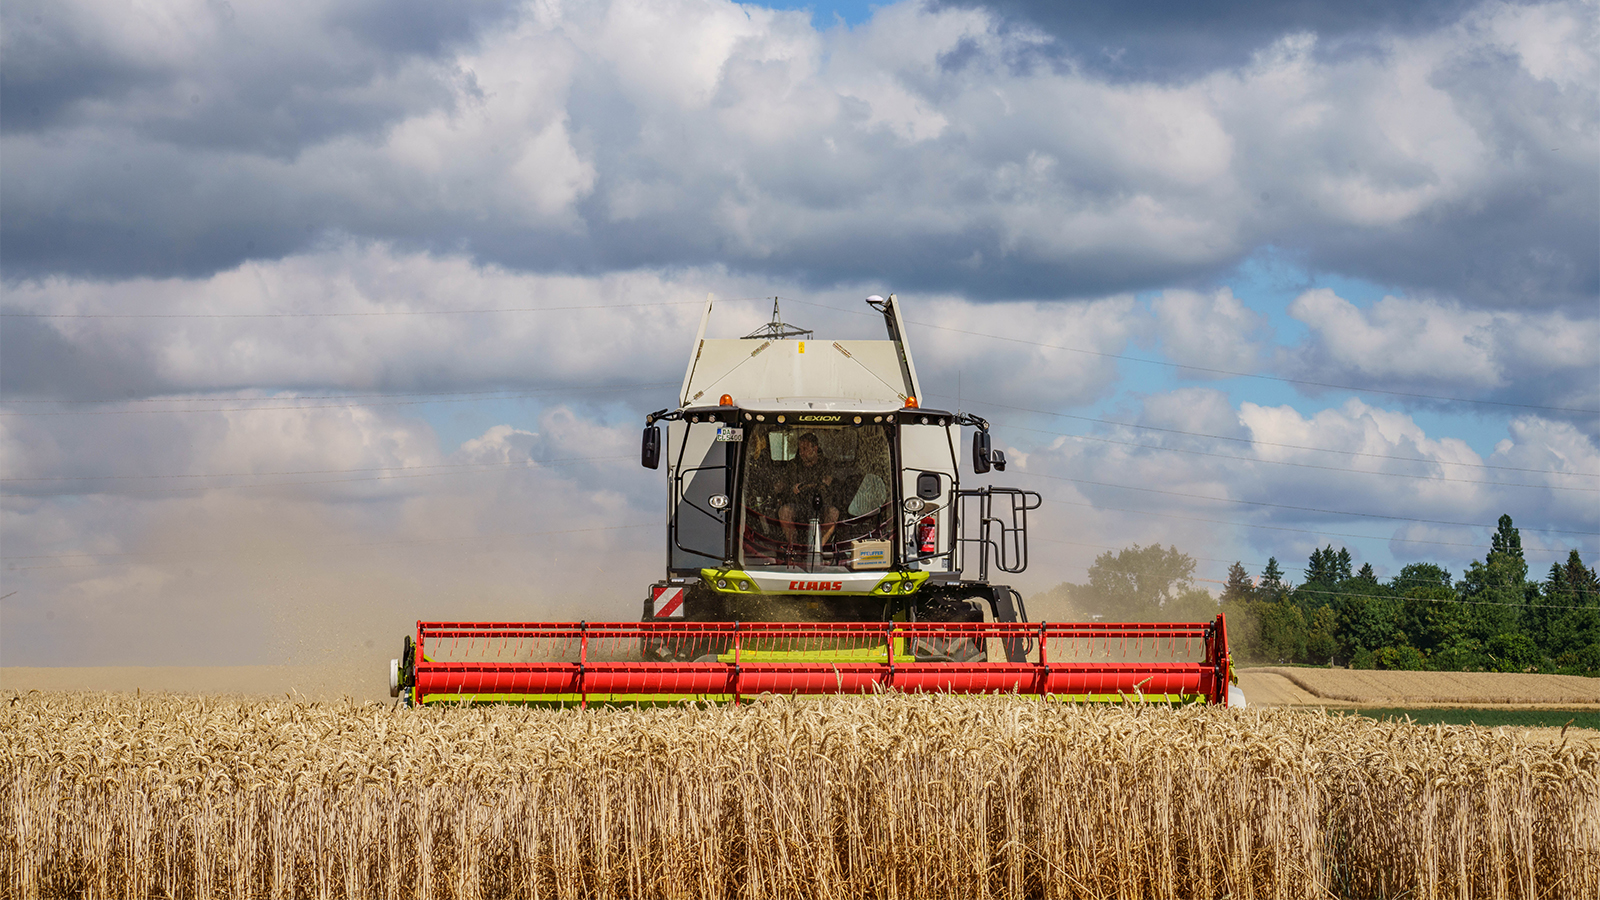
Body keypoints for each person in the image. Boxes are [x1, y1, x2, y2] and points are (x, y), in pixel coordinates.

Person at [776, 432, 840, 551]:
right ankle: (795, 549)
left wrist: (805, 485)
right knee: (784, 512)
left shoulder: (826, 464)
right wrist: (789, 487)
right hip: (799, 505)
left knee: (833, 513)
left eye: (805, 449)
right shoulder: (793, 465)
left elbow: (826, 482)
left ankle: (818, 548)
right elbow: (783, 484)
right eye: (800, 449)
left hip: (821, 505)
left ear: (814, 448)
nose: (801, 453)